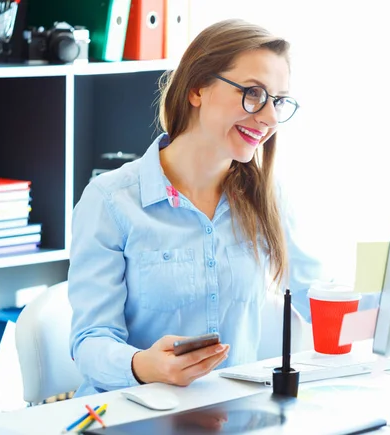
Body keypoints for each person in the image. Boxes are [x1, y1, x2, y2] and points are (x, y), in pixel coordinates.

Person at [67, 18, 322, 398]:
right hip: (131, 413)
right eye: (253, 93)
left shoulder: (266, 198)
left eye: (279, 101)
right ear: (197, 88)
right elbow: (90, 341)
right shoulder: (110, 200)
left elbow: (319, 299)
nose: (269, 118)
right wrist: (143, 365)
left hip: (229, 415)